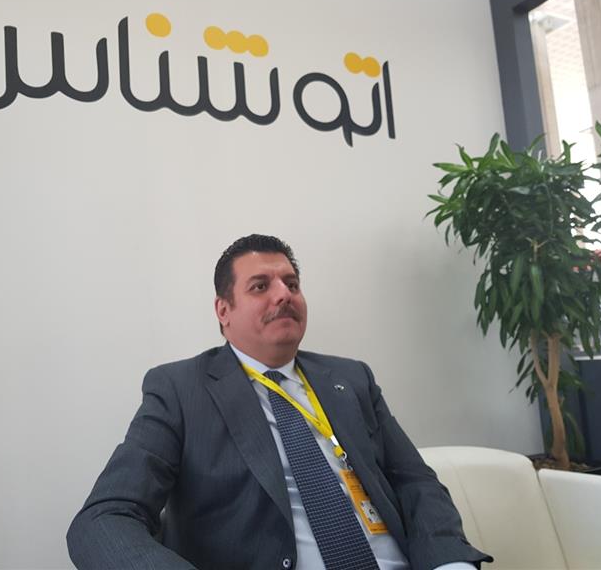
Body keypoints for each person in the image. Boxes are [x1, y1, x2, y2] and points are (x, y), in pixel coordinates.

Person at [67, 234, 493, 570]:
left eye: (292, 284)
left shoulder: (351, 378)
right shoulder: (179, 389)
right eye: (260, 286)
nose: (283, 294)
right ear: (223, 310)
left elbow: (414, 480)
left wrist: (450, 563)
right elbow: (104, 519)